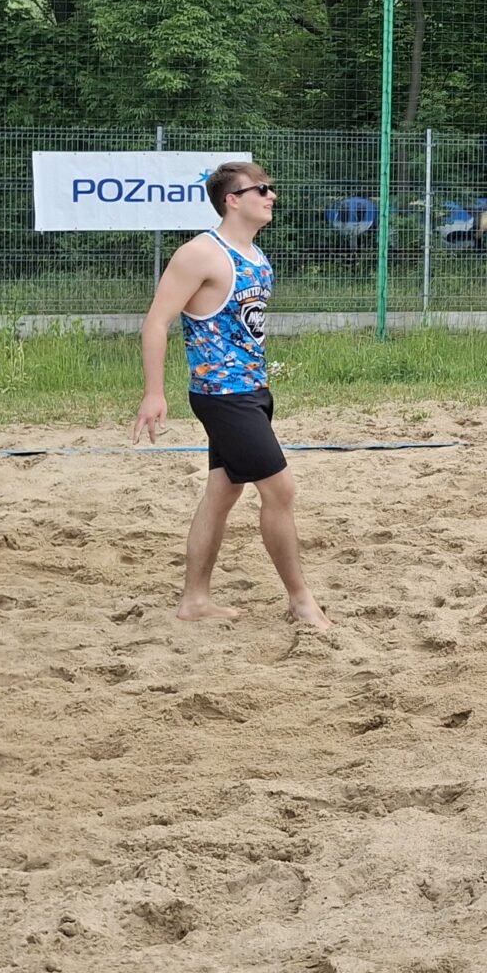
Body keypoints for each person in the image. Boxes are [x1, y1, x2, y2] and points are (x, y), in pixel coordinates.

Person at [133, 160, 332, 628]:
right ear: (232, 200)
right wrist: (154, 393)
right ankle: (300, 600)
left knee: (223, 492)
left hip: (252, 391)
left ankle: (194, 601)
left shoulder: (256, 255)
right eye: (260, 189)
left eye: (270, 188)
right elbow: (156, 322)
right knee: (281, 490)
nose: (271, 195)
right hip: (223, 395)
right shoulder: (200, 254)